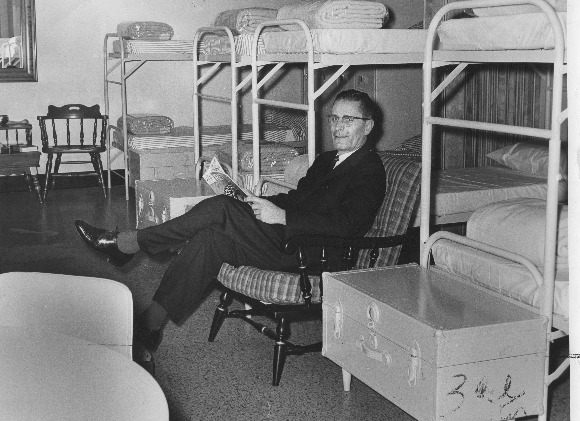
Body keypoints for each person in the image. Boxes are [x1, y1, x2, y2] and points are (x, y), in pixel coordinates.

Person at [75, 89, 386, 373]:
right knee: (209, 239)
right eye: (334, 118)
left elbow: (348, 224)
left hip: (312, 255)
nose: (338, 126)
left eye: (349, 119)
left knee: (221, 207)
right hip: (286, 238)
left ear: (368, 126)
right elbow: (298, 199)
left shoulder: (369, 169)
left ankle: (125, 245)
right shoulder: (327, 160)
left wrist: (283, 217)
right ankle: (150, 328)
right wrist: (261, 201)